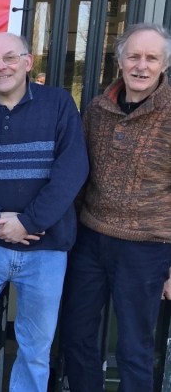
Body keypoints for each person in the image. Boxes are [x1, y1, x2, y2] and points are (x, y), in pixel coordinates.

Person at [0, 32, 88, 392]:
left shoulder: (58, 104)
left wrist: (28, 222)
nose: (1, 66)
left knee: (35, 348)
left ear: (28, 62)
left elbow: (73, 168)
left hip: (46, 249)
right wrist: (0, 223)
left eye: (10, 57)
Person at [61, 23, 171, 392]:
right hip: (90, 241)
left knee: (134, 349)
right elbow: (78, 175)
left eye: (151, 58)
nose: (142, 65)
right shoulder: (96, 109)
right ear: (120, 61)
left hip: (148, 248)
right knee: (76, 337)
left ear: (163, 64)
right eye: (134, 56)